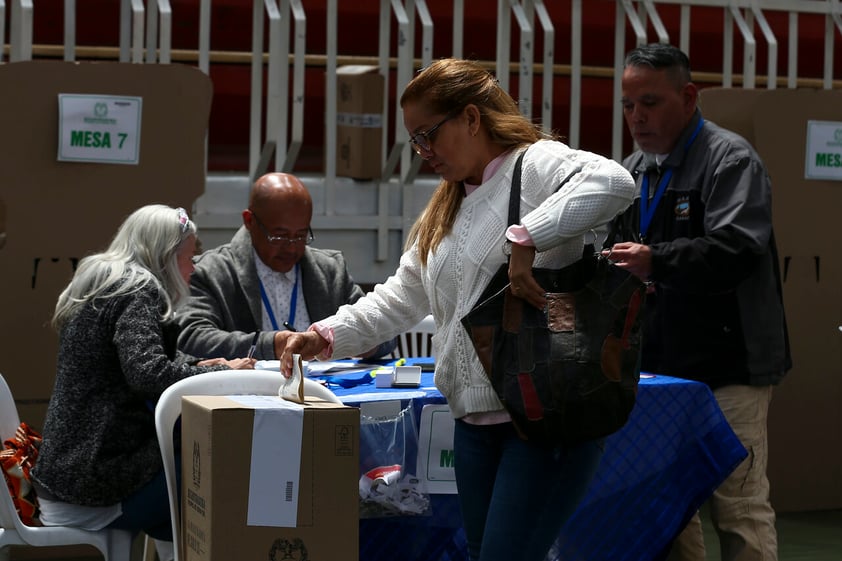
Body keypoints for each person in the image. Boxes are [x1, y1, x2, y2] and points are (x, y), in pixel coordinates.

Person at [273, 58, 636, 561]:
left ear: (471, 118)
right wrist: (326, 336)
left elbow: (615, 182)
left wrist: (527, 236)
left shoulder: (536, 164)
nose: (422, 152)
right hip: (472, 426)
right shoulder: (445, 206)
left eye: (428, 135)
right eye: (414, 141)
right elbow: (400, 297)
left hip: (543, 418)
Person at [604, 43, 792, 561]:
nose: (637, 117)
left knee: (739, 507)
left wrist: (654, 261)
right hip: (661, 372)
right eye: (628, 105)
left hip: (729, 370)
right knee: (666, 508)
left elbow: (737, 248)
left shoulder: (730, 160)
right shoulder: (633, 171)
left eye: (650, 102)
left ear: (688, 97)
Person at [31, 205, 254, 544]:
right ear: (164, 255)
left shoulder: (107, 282)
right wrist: (223, 373)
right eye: (189, 257)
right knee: (215, 471)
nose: (193, 267)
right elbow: (147, 373)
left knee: (186, 492)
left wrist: (197, 368)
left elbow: (138, 360)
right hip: (93, 485)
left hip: (67, 476)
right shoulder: (137, 291)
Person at [175, 172, 396, 361]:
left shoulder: (329, 271)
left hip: (326, 395)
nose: (291, 248)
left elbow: (386, 334)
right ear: (249, 221)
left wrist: (360, 341)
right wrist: (270, 345)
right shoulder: (211, 272)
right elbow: (191, 337)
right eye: (279, 237)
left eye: (300, 236)